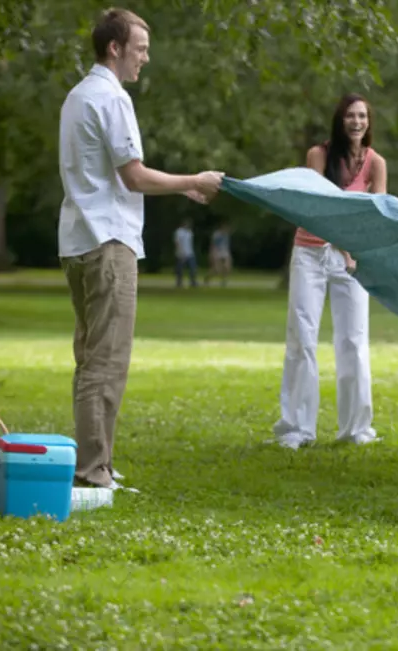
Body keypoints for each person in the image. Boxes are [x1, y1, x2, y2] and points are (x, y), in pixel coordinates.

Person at [58, 7, 223, 488]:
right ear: (115, 47)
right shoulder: (112, 98)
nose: (145, 59)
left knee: (92, 357)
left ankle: (98, 462)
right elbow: (133, 175)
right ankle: (92, 471)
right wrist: (194, 179)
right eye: (141, 49)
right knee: (106, 362)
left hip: (78, 241)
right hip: (109, 242)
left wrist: (181, 189)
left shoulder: (76, 97)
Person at [273, 93, 388, 450]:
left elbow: (376, 214)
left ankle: (357, 429)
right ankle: (297, 429)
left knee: (354, 341)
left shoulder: (375, 163)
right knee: (302, 338)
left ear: (368, 122)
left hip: (350, 261)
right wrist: (344, 245)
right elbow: (315, 208)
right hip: (310, 254)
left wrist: (356, 253)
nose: (357, 122)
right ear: (340, 121)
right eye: (350, 116)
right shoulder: (319, 156)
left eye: (362, 116)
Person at [205, 222, 232, 287]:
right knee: (217, 270)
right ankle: (207, 278)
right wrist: (212, 253)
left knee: (227, 267)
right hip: (217, 251)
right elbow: (213, 244)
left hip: (224, 251)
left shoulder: (226, 235)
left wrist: (228, 253)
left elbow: (226, 244)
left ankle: (224, 280)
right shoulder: (217, 234)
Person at [173, 219, 198, 288]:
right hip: (181, 253)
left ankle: (193, 281)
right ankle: (179, 282)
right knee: (180, 268)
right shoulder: (179, 231)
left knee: (193, 267)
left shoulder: (189, 232)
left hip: (190, 253)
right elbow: (177, 242)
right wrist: (180, 251)